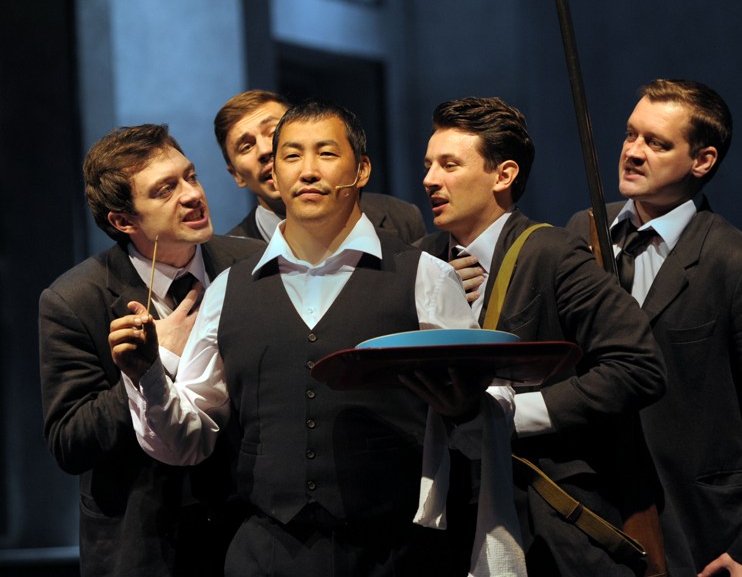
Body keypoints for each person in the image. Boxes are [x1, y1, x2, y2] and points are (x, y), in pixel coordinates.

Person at [110, 99, 489, 576]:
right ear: (274, 172)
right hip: (267, 553)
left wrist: (466, 409)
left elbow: (487, 411)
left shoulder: (426, 276)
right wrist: (147, 376)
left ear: (362, 169)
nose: (307, 170)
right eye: (291, 156)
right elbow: (189, 441)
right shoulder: (228, 289)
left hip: (397, 553)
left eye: (326, 153)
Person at [415, 96, 667, 576]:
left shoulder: (551, 253)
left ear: (503, 175)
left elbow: (639, 367)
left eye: (449, 164)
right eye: (428, 165)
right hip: (444, 527)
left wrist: (511, 415)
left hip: (545, 525)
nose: (430, 179)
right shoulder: (418, 260)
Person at [567, 78, 742, 577]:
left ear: (702, 160)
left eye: (656, 143)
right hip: (590, 522)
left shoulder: (741, 266)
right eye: (631, 134)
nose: (632, 152)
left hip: (696, 532)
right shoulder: (581, 231)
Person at [38, 124, 266, 576]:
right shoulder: (73, 300)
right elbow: (70, 441)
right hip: (146, 543)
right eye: (166, 190)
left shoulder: (254, 265)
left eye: (190, 177)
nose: (192, 195)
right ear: (124, 221)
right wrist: (153, 364)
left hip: (250, 530)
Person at [214, 89, 427, 244]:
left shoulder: (400, 218)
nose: (265, 150)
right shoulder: (226, 261)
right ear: (236, 175)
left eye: (273, 133)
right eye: (246, 147)